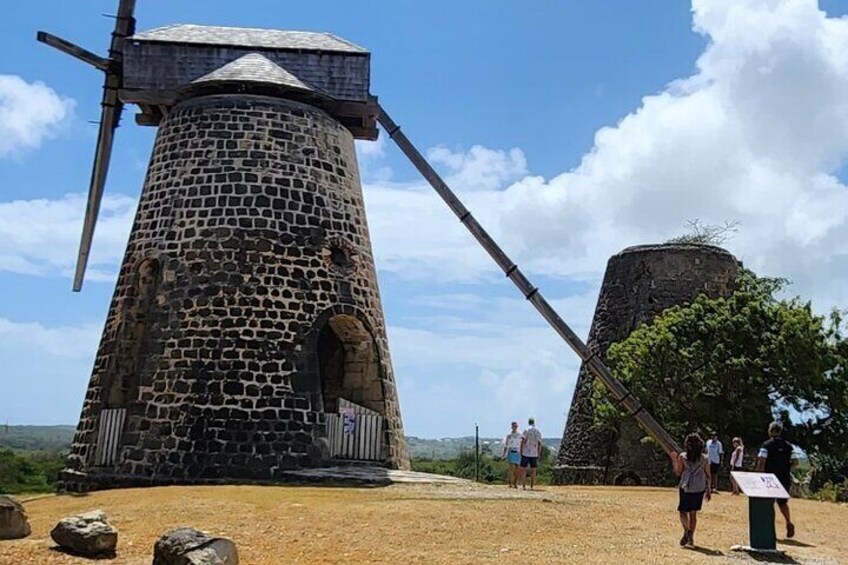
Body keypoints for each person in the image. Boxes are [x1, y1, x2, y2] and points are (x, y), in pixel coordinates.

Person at [756, 421, 798, 538]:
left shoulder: (766, 445)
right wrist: (786, 466)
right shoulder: (789, 446)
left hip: (769, 478)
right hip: (784, 477)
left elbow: (762, 460)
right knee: (783, 502)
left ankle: (769, 528)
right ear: (780, 432)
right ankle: (788, 522)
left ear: (770, 431)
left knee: (768, 503)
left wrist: (759, 474)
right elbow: (796, 461)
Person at [671, 433, 712, 547]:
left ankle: (686, 530)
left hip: (686, 486)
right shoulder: (704, 458)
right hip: (699, 487)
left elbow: (678, 472)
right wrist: (709, 489)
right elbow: (708, 475)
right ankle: (691, 536)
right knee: (693, 513)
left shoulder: (683, 457)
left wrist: (674, 459)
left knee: (683, 511)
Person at [519, 417, 543, 490]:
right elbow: (539, 443)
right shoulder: (537, 431)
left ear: (528, 422)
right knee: (533, 469)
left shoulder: (526, 430)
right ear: (534, 422)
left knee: (523, 469)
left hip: (526, 452)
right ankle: (532, 485)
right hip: (534, 452)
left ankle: (524, 485)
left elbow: (522, 441)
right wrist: (538, 452)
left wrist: (521, 450)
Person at [501, 421, 522, 488]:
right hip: (511, 451)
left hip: (517, 452)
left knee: (517, 468)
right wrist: (504, 454)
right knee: (511, 468)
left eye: (516, 426)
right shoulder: (509, 436)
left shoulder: (519, 435)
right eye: (514, 426)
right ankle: (510, 482)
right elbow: (506, 445)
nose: (515, 427)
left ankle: (515, 483)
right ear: (512, 427)